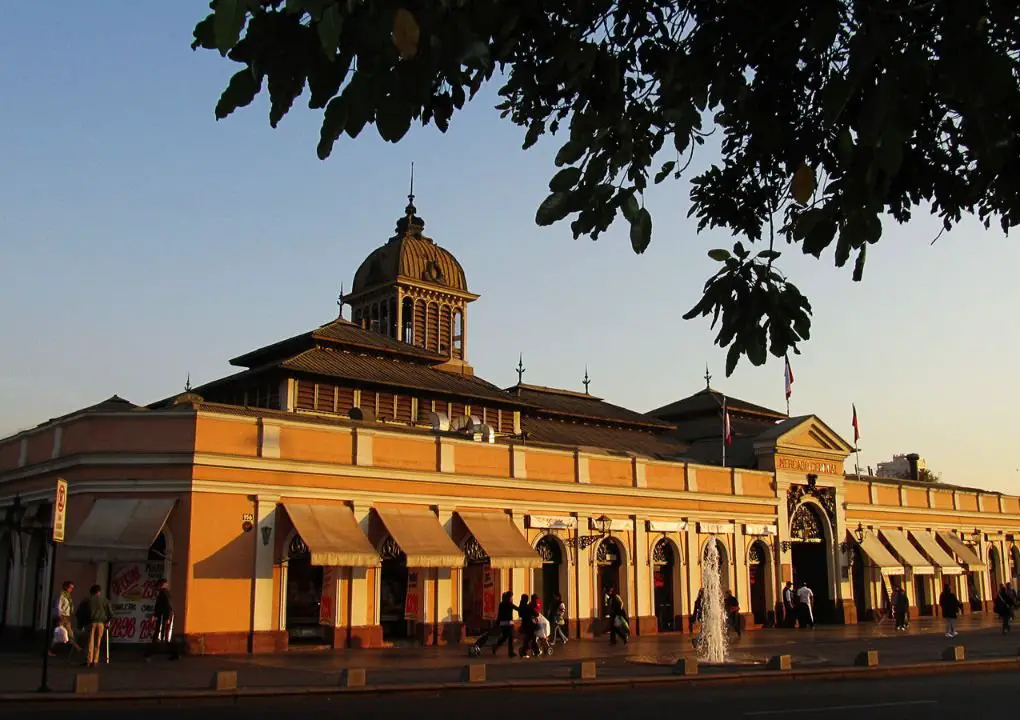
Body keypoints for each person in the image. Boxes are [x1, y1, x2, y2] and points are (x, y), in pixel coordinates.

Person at [147, 578, 178, 659]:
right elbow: (159, 606)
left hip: (165, 617)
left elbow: (168, 606)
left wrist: (167, 618)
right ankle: (150, 652)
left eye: (158, 585)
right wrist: (155, 615)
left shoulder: (164, 593)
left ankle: (175, 654)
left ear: (161, 585)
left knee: (165, 636)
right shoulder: (162, 593)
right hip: (162, 617)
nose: (157, 587)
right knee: (158, 635)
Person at [84, 584, 113, 668]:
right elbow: (110, 613)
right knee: (98, 642)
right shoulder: (104, 600)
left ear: (91, 591)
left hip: (91, 622)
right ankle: (95, 660)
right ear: (99, 591)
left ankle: (89, 660)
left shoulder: (88, 600)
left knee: (90, 642)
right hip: (101, 623)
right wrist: (107, 621)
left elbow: (82, 612)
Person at [50, 581, 81, 656]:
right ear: (65, 587)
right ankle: (77, 648)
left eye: (72, 588)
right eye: (70, 587)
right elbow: (58, 606)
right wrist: (59, 616)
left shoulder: (68, 596)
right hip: (61, 617)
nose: (71, 589)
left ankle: (76, 648)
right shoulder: (61, 595)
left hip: (66, 617)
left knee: (68, 633)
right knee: (57, 634)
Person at [491, 591, 517, 657]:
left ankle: (495, 647)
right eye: (511, 597)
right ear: (509, 597)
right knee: (510, 637)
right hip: (508, 623)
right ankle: (510, 652)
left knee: (504, 637)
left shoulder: (501, 604)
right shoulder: (509, 603)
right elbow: (517, 609)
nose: (512, 598)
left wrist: (498, 622)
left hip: (503, 623)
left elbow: (499, 614)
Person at [517, 593, 536, 658]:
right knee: (531, 637)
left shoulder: (521, 605)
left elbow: (520, 614)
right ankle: (524, 651)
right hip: (529, 624)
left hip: (524, 623)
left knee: (529, 637)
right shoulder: (527, 606)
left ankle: (533, 650)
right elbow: (534, 613)